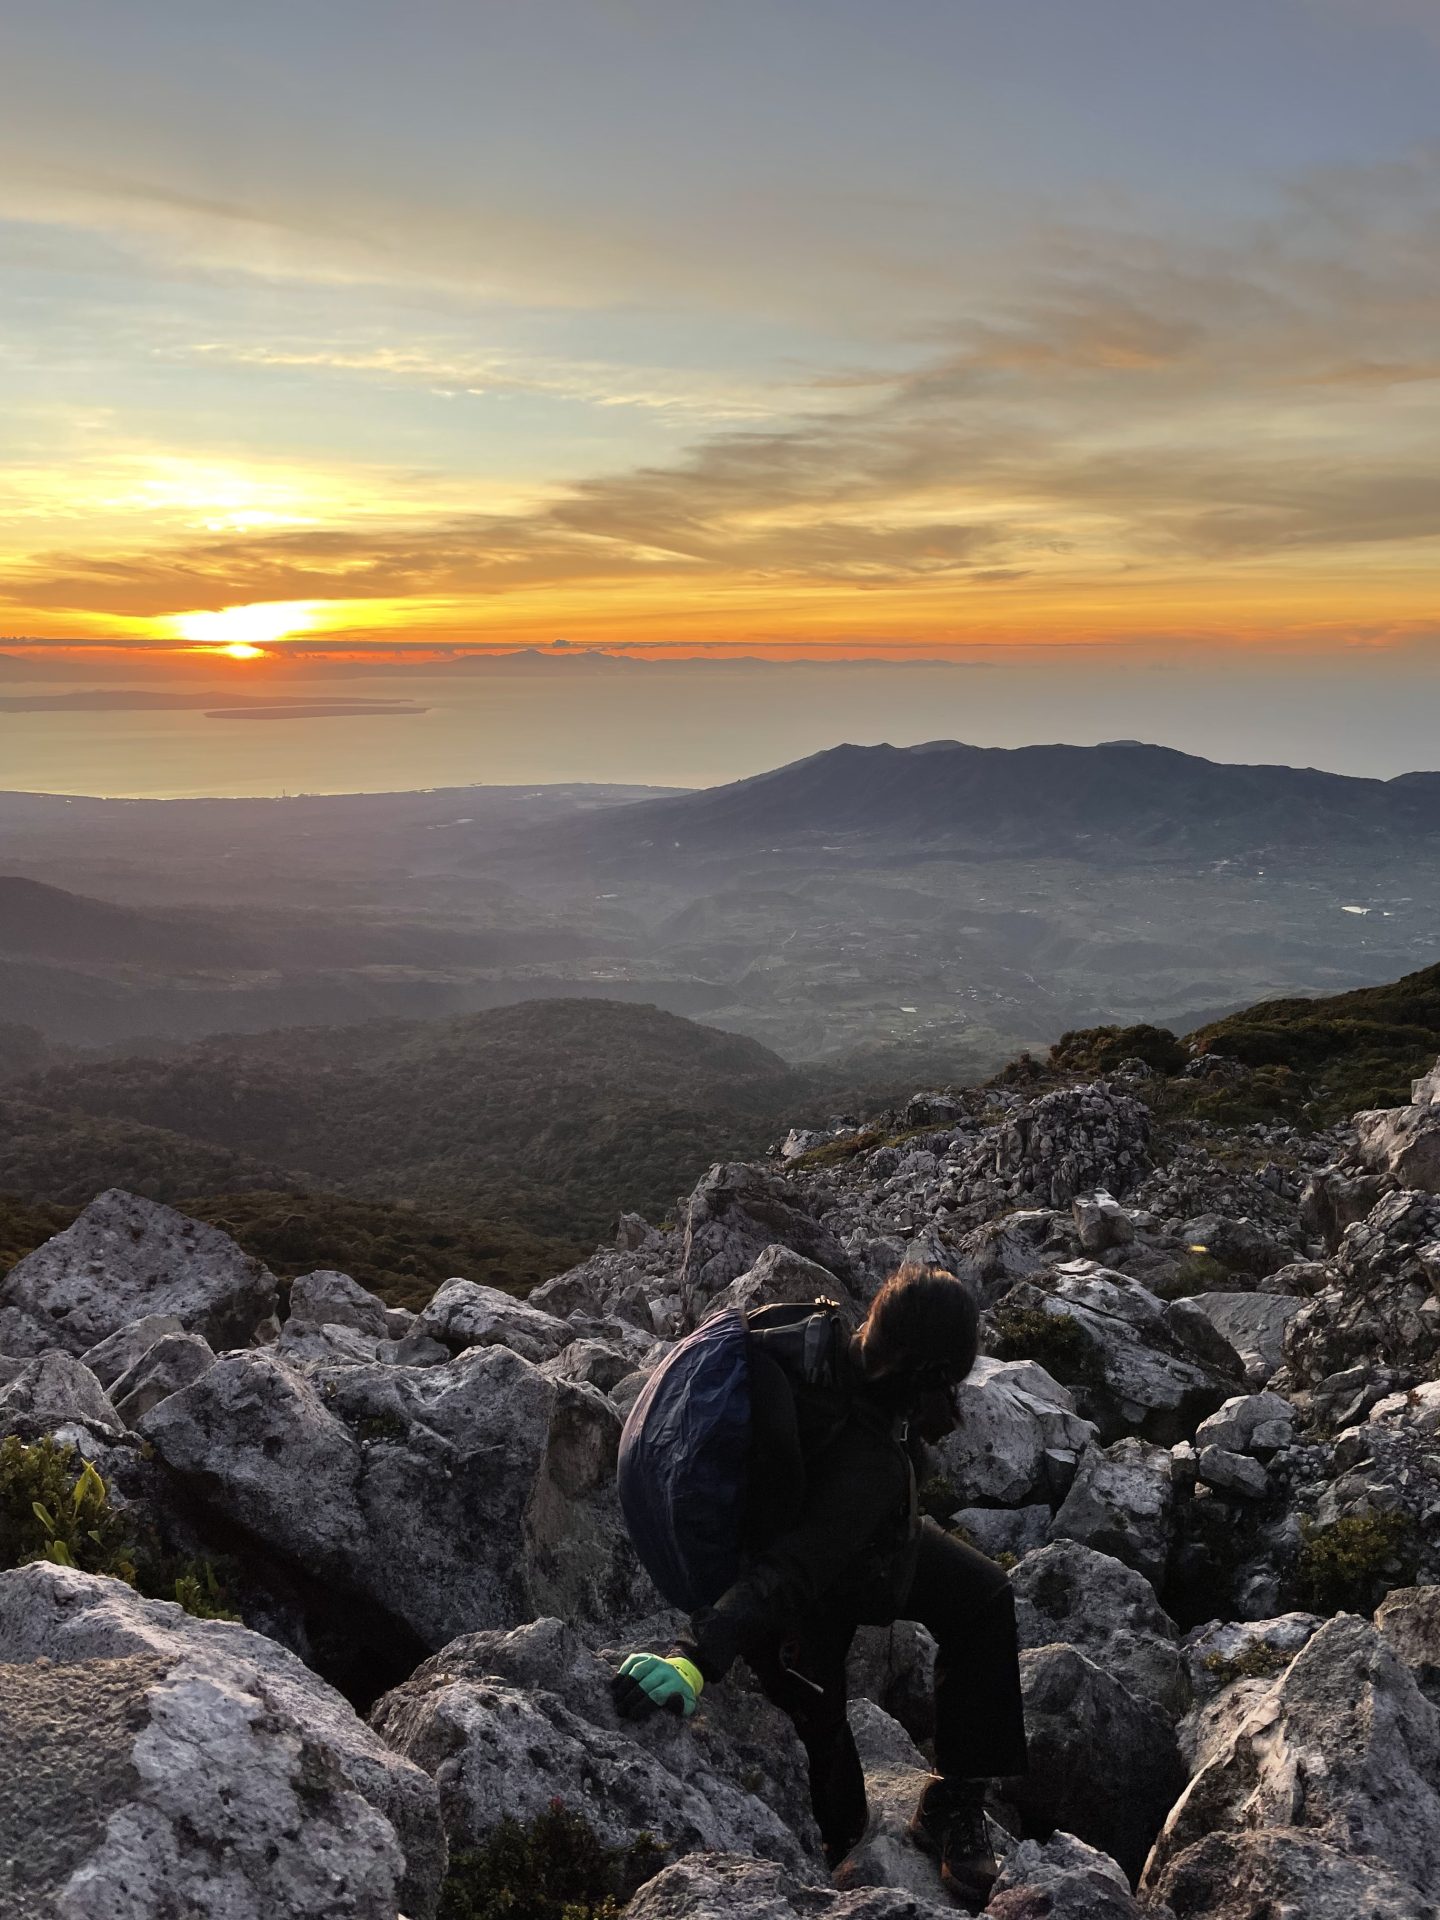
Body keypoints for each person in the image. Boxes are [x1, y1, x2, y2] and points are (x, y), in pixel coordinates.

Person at [612, 1265, 1028, 1912]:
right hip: (821, 1585)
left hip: (832, 1539)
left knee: (983, 1596)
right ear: (917, 1374)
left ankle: (950, 1806)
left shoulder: (811, 1332)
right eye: (946, 1380)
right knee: (830, 1765)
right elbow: (794, 1572)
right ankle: (844, 1859)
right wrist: (694, 1655)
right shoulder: (869, 1469)